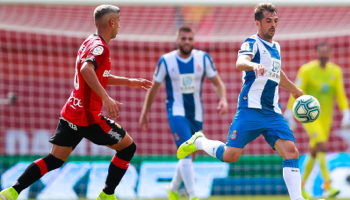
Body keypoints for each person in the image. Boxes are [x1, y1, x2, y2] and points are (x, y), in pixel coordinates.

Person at [0, 5, 152, 200]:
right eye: (119, 22)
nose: (119, 27)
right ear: (112, 22)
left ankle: (12, 191)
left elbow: (97, 73)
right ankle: (107, 195)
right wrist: (106, 98)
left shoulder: (90, 41)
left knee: (54, 159)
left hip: (71, 113)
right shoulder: (101, 49)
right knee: (128, 148)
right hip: (89, 118)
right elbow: (87, 70)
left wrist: (129, 81)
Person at [177, 3, 306, 200]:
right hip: (250, 111)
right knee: (231, 155)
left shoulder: (276, 47)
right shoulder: (251, 43)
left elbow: (276, 73)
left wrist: (295, 90)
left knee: (291, 152)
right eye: (268, 21)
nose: (273, 25)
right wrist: (252, 64)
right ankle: (200, 141)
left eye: (275, 21)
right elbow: (240, 62)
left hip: (272, 112)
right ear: (258, 23)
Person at [139, 26, 228, 200]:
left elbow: (217, 83)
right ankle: (193, 195)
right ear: (177, 40)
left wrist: (223, 99)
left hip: (196, 113)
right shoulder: (166, 61)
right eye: (183, 38)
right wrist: (144, 113)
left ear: (193, 41)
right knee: (186, 153)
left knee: (191, 156)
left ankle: (172, 188)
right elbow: (154, 88)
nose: (186, 42)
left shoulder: (203, 58)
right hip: (176, 111)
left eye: (189, 39)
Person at [285, 41, 350, 199]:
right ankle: (327, 185)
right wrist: (289, 111)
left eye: (326, 52)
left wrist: (346, 111)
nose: (324, 54)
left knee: (314, 152)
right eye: (321, 51)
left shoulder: (335, 71)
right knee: (322, 146)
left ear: (329, 54)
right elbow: (297, 90)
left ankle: (300, 188)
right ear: (316, 53)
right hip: (309, 117)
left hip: (326, 118)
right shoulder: (306, 70)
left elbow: (340, 94)